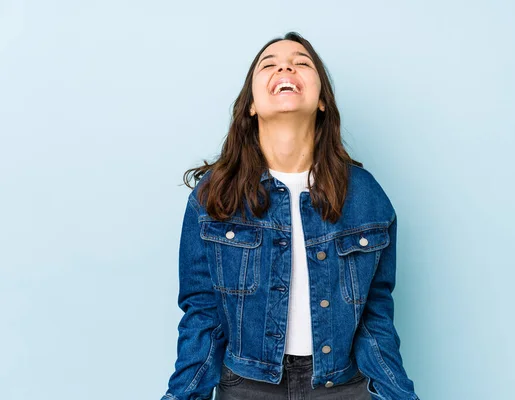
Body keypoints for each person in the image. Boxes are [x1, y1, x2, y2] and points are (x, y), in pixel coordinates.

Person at [160, 31, 420, 400]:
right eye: (269, 64)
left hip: (341, 387)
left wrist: (397, 393)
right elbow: (203, 316)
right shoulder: (215, 194)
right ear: (251, 105)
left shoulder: (364, 195)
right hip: (246, 387)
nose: (285, 66)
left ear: (322, 101)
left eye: (301, 63)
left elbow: (374, 317)